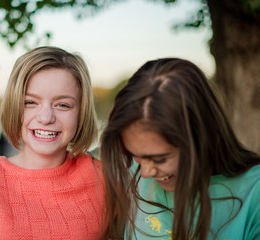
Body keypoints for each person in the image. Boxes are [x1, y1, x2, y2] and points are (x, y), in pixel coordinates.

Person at [0, 46, 106, 239]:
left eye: (62, 105)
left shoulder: (102, 175)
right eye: (30, 102)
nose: (46, 118)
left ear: (81, 112)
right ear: (15, 106)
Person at [101, 58, 260, 239]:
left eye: (159, 158)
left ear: (202, 137)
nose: (144, 172)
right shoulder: (127, 171)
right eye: (135, 154)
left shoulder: (254, 193)